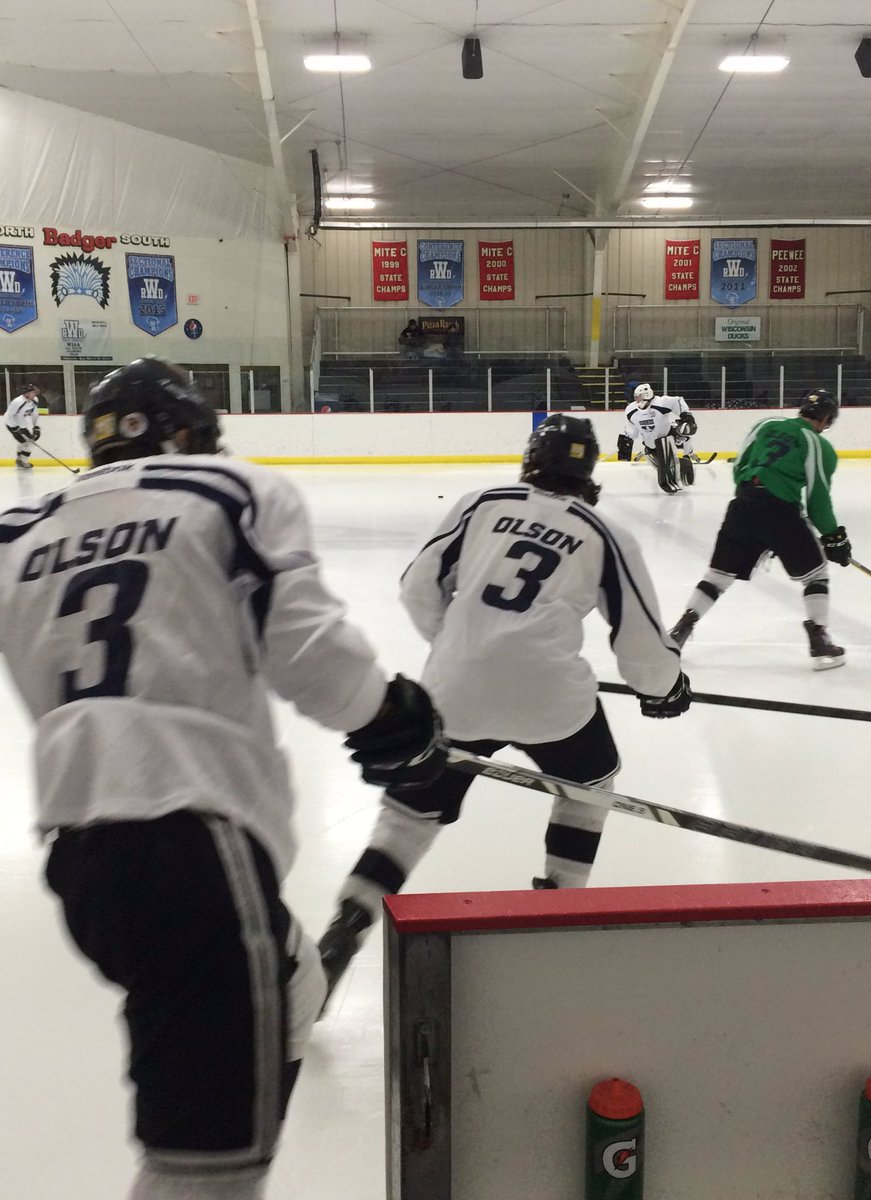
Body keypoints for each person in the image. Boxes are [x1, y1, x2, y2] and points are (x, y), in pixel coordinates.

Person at [0, 356, 446, 1200]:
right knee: (201, 1171)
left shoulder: (20, 535)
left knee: (290, 977)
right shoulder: (224, 491)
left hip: (84, 857)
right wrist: (392, 717)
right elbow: (309, 653)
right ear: (196, 434)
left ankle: (254, 1057)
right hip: (193, 840)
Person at [317, 414, 691, 1008]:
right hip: (550, 698)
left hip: (453, 691)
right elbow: (643, 646)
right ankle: (558, 910)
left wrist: (458, 649)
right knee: (590, 784)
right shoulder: (605, 532)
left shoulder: (482, 501)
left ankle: (347, 924)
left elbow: (418, 586)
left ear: (530, 460)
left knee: (409, 819)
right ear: (588, 472)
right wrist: (664, 686)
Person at [668, 388, 851, 670]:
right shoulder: (817, 445)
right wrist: (834, 537)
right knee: (817, 575)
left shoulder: (765, 425)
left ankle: (683, 627)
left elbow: (740, 465)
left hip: (742, 507)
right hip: (781, 514)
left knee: (717, 577)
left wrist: (756, 501)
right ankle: (819, 639)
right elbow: (818, 500)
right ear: (827, 419)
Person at [617, 382, 699, 493]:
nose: (637, 399)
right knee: (665, 467)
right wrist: (626, 440)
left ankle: (687, 454)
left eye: (639, 397)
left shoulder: (660, 402)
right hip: (651, 446)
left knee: (685, 430)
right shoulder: (631, 410)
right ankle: (684, 465)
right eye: (635, 397)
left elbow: (678, 401)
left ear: (647, 395)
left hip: (669, 437)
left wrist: (687, 416)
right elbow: (632, 431)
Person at [5, 381, 41, 469]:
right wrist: (15, 428)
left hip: (22, 426)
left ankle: (20, 459)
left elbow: (35, 413)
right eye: (32, 392)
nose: (34, 394)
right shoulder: (17, 402)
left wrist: (36, 426)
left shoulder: (34, 400)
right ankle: (22, 462)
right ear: (26, 394)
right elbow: (8, 415)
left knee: (27, 442)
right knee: (28, 443)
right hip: (12, 425)